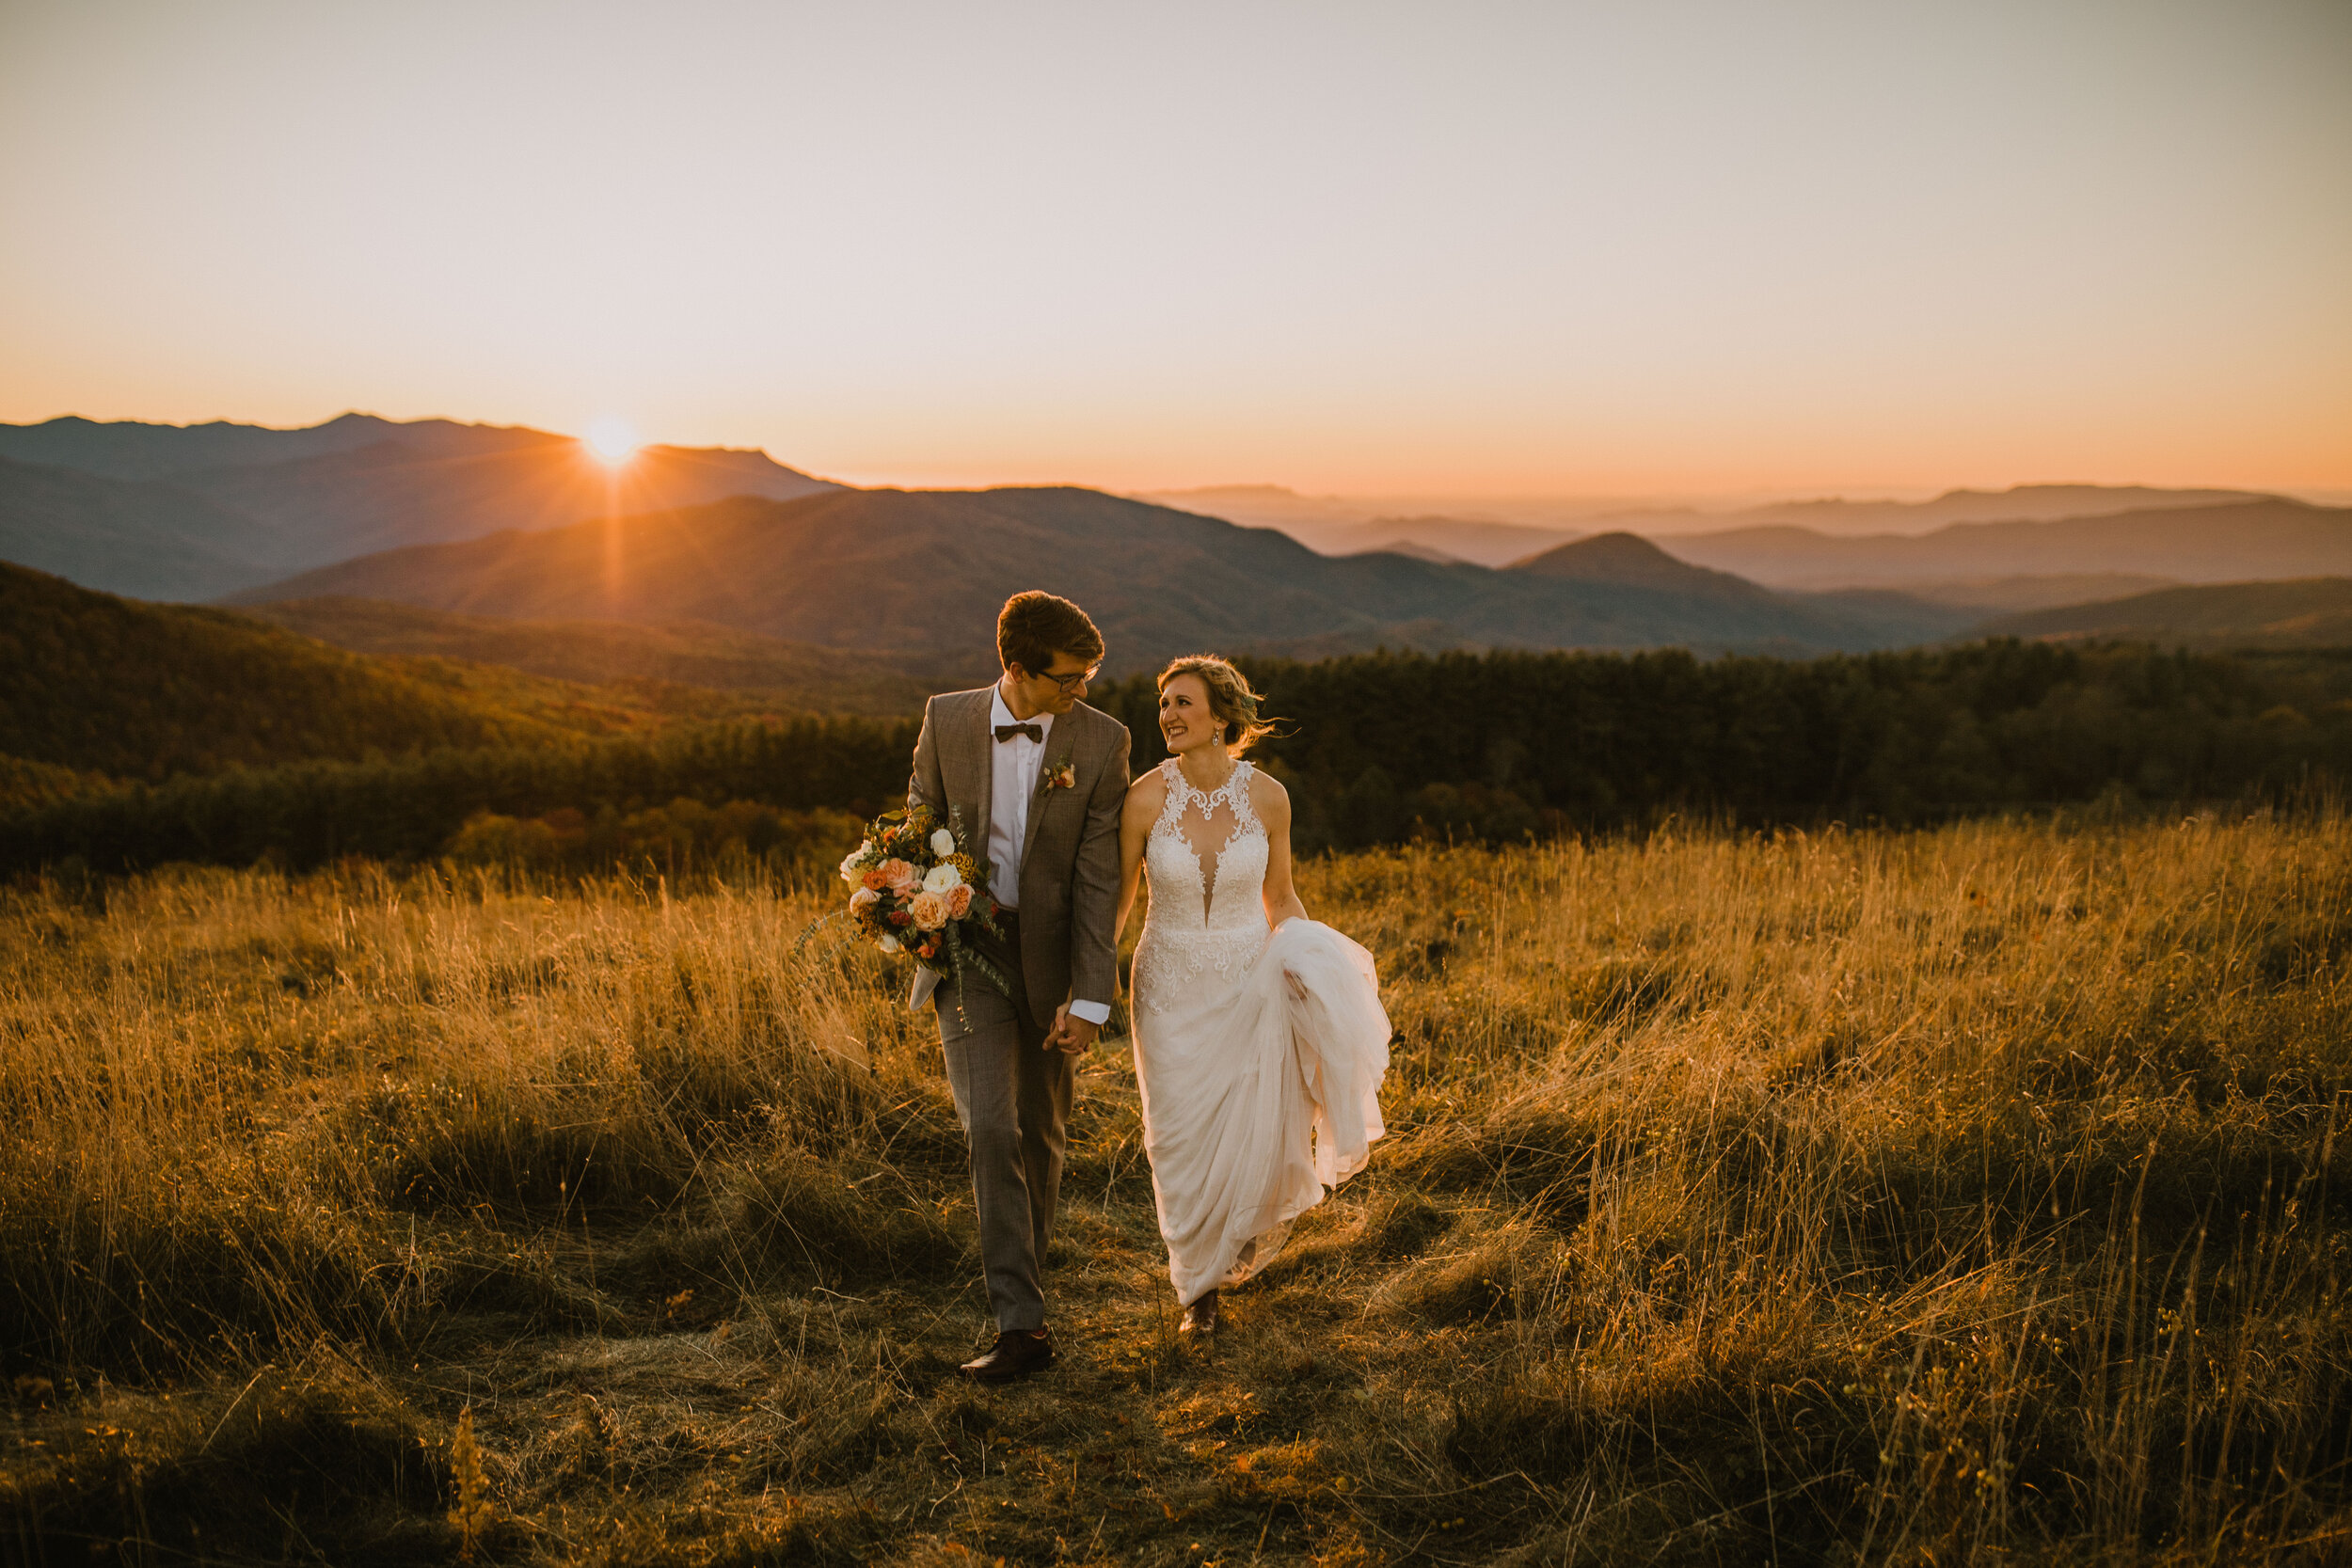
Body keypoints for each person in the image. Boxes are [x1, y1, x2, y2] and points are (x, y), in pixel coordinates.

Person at [1115, 655, 1391, 1336]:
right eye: (1164, 704)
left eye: (1183, 702)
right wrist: (1086, 979)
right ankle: (1197, 1292)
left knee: (1241, 1125)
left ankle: (1226, 1247)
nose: (1169, 716)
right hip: (1166, 986)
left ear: (1221, 718)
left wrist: (1300, 954)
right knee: (1175, 1133)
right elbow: (1119, 903)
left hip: (1246, 976)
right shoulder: (1144, 797)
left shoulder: (1269, 798)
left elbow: (1281, 893)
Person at [906, 591, 1132, 1382]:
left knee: (1040, 1134)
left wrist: (1092, 993)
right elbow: (917, 821)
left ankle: (1021, 1289)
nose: (1082, 691)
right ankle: (1023, 1325)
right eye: (1069, 678)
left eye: (1088, 676)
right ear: (1016, 668)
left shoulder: (1104, 742)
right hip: (967, 950)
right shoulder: (947, 717)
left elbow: (1101, 878)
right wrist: (911, 897)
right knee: (991, 1129)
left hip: (1054, 960)